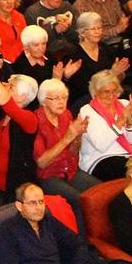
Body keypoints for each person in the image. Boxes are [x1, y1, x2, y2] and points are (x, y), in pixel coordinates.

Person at [33, 79, 99, 226]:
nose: (61, 102)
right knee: (79, 199)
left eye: (64, 97)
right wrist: (68, 137)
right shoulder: (36, 121)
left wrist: (78, 135)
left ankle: (99, 233)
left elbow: (74, 152)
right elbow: (42, 162)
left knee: (100, 191)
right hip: (49, 176)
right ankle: (83, 242)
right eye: (56, 98)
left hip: (71, 169)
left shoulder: (66, 115)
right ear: (43, 101)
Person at [79, 70, 132, 181]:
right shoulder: (87, 111)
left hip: (128, 155)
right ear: (95, 92)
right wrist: (121, 120)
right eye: (106, 92)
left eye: (114, 91)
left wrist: (130, 120)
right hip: (100, 158)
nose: (111, 96)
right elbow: (102, 145)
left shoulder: (124, 104)